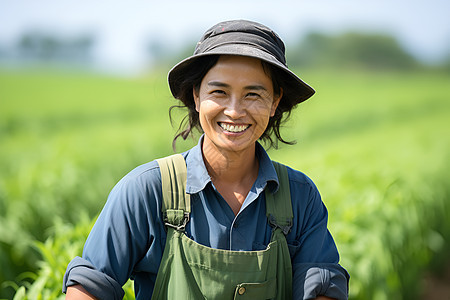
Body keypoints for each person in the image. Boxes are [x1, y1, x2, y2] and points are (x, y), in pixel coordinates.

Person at [63, 19, 349, 300]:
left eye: (253, 94)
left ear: (275, 101)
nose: (235, 111)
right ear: (196, 96)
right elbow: (88, 289)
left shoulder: (299, 197)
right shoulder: (146, 191)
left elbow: (323, 291)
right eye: (219, 92)